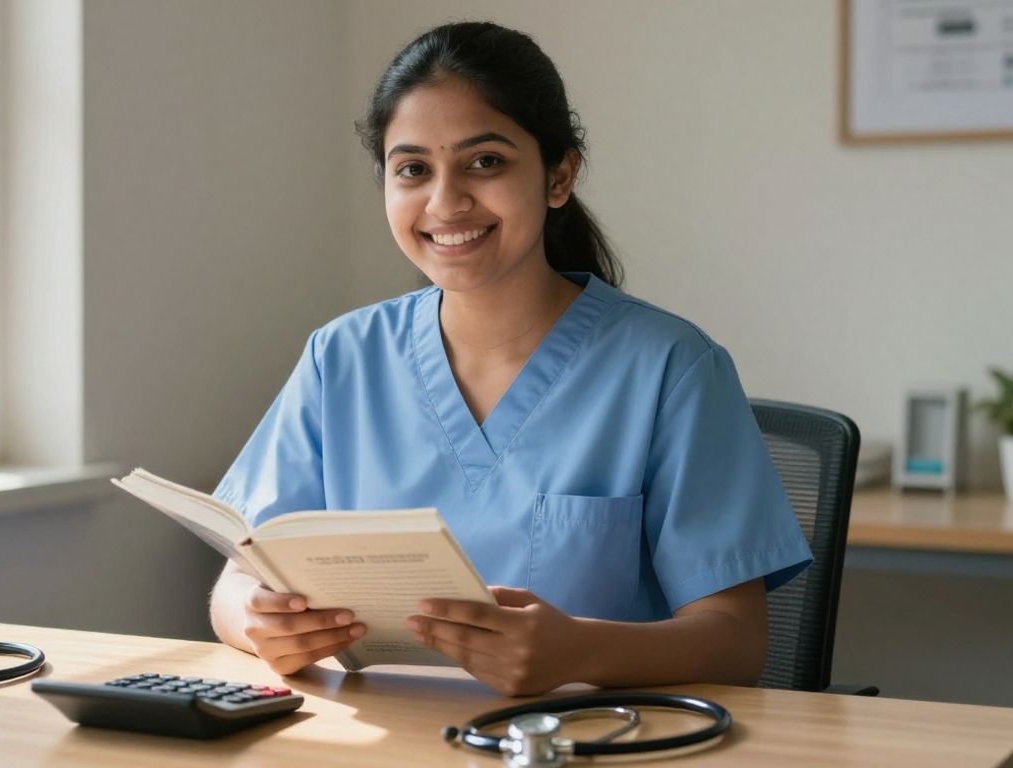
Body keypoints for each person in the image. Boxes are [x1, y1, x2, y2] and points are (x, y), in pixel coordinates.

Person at [207, 21, 811, 697]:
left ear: (558, 175)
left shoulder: (671, 368)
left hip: (587, 742)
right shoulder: (340, 358)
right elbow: (238, 577)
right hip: (382, 744)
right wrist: (255, 622)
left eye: (485, 162)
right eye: (412, 169)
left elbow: (736, 640)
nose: (446, 201)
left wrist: (580, 651)